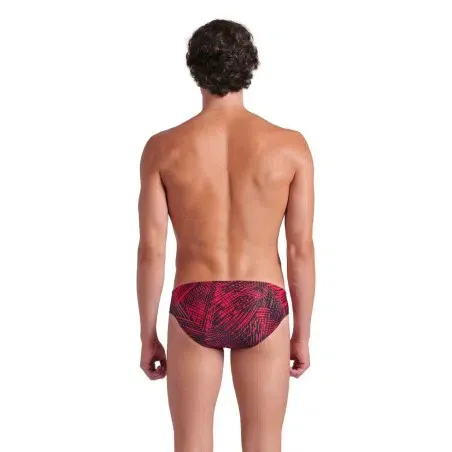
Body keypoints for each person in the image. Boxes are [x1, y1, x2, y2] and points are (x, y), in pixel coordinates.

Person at [136, 19, 315, 452]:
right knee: (264, 442)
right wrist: (302, 334)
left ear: (195, 69)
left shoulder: (163, 148)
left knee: (191, 443)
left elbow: (152, 250)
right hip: (261, 302)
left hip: (194, 301)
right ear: (249, 66)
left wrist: (147, 334)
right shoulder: (290, 147)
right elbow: (300, 250)